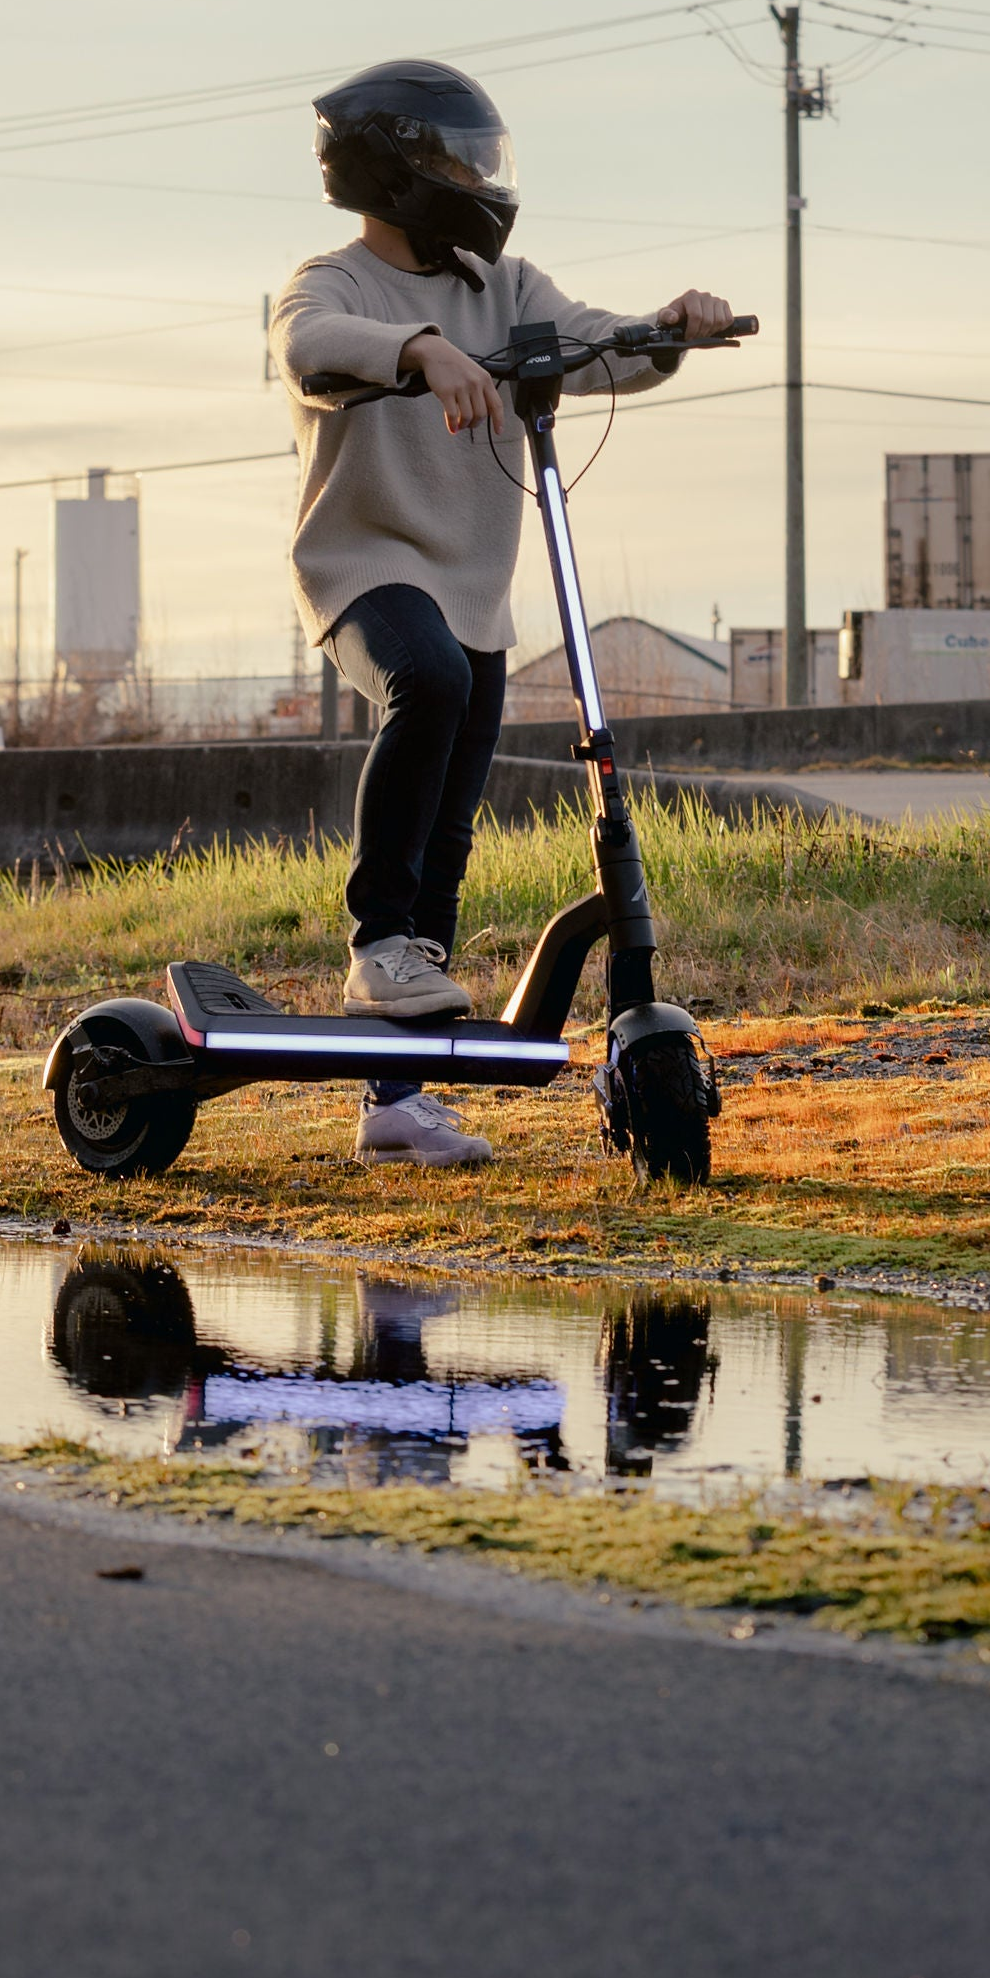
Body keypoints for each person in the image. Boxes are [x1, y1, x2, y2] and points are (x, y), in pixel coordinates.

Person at [272, 59, 731, 1169]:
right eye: (461, 162)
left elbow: (596, 340)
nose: (481, 180)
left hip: (472, 590)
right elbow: (307, 350)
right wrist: (418, 353)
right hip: (363, 569)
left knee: (450, 824)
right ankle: (374, 941)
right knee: (423, 682)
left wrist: (670, 325)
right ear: (397, 170)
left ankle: (396, 1099)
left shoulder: (506, 285)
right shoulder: (326, 283)